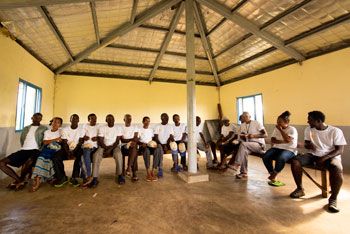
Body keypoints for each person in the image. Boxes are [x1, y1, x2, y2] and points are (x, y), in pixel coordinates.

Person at [289, 111, 346, 213]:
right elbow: (307, 144)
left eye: (310, 119)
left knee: (337, 168)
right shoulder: (309, 129)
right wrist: (305, 145)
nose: (307, 121)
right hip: (313, 155)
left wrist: (324, 157)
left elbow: (339, 150)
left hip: (331, 156)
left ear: (319, 121)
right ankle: (300, 189)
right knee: (295, 161)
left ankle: (333, 199)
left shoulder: (335, 131)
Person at [0, 113, 47, 191]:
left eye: (39, 118)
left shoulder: (43, 128)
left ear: (41, 119)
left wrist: (40, 149)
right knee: (1, 163)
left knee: (29, 160)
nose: (37, 119)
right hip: (24, 150)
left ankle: (20, 180)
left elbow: (45, 140)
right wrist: (24, 148)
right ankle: (20, 180)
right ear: (32, 118)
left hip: (35, 150)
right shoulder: (26, 128)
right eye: (36, 117)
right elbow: (22, 139)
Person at [262, 111, 298, 186]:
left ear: (287, 122)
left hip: (290, 149)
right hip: (277, 148)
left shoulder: (292, 129)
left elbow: (288, 140)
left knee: (281, 158)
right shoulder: (276, 129)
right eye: (277, 122)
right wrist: (282, 141)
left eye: (280, 122)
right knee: (266, 156)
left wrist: (281, 130)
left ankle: (274, 174)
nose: (277, 124)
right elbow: (273, 140)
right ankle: (272, 173)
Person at [88, 114, 124, 187]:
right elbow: (101, 140)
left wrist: (110, 149)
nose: (111, 120)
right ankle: (95, 178)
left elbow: (117, 141)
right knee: (96, 155)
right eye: (109, 119)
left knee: (119, 155)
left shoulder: (118, 128)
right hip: (103, 146)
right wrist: (105, 148)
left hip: (114, 146)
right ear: (106, 120)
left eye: (112, 119)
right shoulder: (102, 128)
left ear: (114, 120)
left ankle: (120, 175)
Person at [230, 112, 267, 179]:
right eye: (243, 117)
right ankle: (243, 173)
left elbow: (265, 135)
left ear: (250, 116)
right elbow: (241, 136)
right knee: (244, 151)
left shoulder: (256, 123)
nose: (245, 118)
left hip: (259, 145)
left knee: (243, 145)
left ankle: (237, 164)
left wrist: (254, 136)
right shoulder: (242, 125)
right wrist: (242, 136)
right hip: (248, 145)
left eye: (246, 116)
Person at [31, 117, 63, 192]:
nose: (55, 124)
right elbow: (45, 142)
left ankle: (38, 179)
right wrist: (55, 139)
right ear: (51, 123)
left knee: (43, 159)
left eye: (58, 122)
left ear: (60, 125)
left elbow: (61, 141)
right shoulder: (47, 132)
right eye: (54, 122)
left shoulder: (61, 131)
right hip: (47, 149)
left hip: (55, 149)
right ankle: (39, 179)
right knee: (41, 159)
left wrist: (51, 141)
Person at [52, 114, 84, 188]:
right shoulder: (65, 129)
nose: (74, 120)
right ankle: (62, 177)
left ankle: (74, 177)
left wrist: (73, 152)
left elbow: (80, 142)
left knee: (80, 156)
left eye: (76, 119)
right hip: (66, 149)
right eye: (73, 119)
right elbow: (64, 142)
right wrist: (68, 152)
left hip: (77, 149)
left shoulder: (81, 130)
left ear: (78, 120)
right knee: (56, 157)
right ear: (70, 120)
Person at [154, 113, 175, 178]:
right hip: (160, 143)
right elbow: (156, 137)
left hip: (168, 143)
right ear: (161, 118)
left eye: (167, 118)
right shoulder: (157, 126)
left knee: (175, 146)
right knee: (160, 150)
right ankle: (160, 168)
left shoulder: (170, 126)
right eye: (165, 118)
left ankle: (176, 165)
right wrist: (162, 145)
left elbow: (171, 136)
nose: (167, 119)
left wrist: (167, 144)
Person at [138, 116, 158, 181]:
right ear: (143, 122)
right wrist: (141, 144)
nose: (147, 122)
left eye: (148, 121)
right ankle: (148, 173)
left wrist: (154, 144)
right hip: (143, 146)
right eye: (146, 121)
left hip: (150, 145)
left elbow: (153, 139)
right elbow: (137, 140)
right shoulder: (139, 130)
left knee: (158, 149)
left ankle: (153, 171)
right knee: (146, 151)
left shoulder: (151, 130)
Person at [80, 113, 99, 185]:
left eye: (95, 119)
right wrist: (84, 137)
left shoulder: (98, 126)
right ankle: (87, 176)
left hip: (94, 146)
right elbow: (81, 135)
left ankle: (87, 176)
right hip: (86, 145)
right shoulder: (85, 126)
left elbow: (101, 137)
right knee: (83, 157)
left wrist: (97, 138)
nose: (94, 120)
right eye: (92, 119)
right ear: (89, 120)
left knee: (86, 154)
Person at [120, 114, 139, 182]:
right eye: (127, 119)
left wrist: (132, 141)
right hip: (124, 146)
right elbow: (122, 140)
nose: (129, 120)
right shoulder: (121, 128)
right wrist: (131, 140)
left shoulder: (135, 127)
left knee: (134, 149)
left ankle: (128, 168)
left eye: (130, 119)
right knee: (134, 151)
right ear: (124, 120)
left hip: (133, 146)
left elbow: (136, 138)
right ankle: (133, 172)